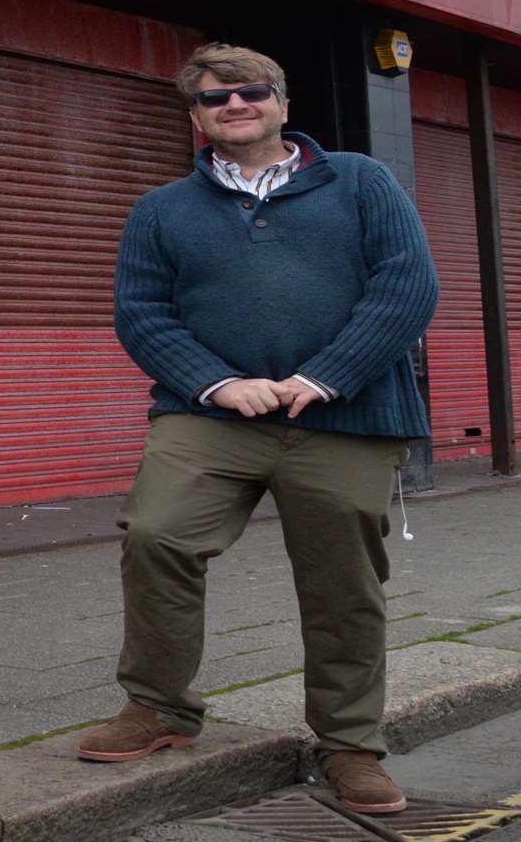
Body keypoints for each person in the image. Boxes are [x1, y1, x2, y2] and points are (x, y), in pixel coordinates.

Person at [82, 43, 438, 817]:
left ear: (280, 101)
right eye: (216, 100)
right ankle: (159, 707)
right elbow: (141, 314)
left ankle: (350, 745)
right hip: (213, 414)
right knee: (157, 535)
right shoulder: (161, 210)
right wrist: (219, 382)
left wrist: (326, 375)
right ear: (196, 118)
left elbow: (408, 285)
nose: (235, 106)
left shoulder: (361, 180)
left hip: (345, 413)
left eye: (250, 93)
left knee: (344, 583)